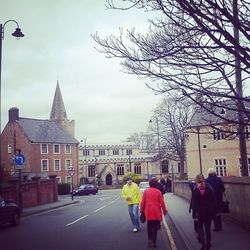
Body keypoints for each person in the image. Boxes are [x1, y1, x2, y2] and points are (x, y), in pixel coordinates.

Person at [140, 178, 167, 248]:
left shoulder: (146, 191)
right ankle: (154, 242)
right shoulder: (158, 192)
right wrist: (164, 210)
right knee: (155, 228)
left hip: (148, 211)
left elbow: (143, 202)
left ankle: (150, 240)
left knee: (149, 227)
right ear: (156, 184)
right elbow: (162, 203)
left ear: (149, 184)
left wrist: (141, 210)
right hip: (156, 212)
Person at [192, 174, 216, 250]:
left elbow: (194, 204)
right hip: (209, 212)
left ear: (196, 181)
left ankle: (203, 245)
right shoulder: (209, 188)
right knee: (207, 229)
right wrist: (213, 210)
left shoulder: (195, 190)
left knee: (200, 230)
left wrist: (194, 215)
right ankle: (208, 245)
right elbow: (213, 201)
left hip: (199, 213)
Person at [205, 167, 225, 232]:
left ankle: (216, 227)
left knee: (213, 213)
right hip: (219, 198)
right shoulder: (219, 179)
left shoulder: (207, 180)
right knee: (218, 212)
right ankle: (219, 225)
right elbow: (223, 189)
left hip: (210, 200)